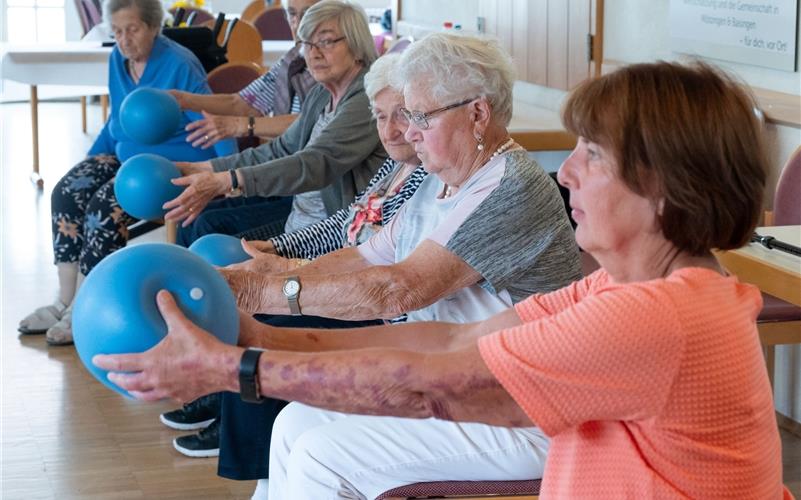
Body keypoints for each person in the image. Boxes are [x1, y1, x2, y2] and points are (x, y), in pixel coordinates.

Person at [96, 59, 789, 499]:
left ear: (664, 191)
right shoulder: (624, 289)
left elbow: (431, 382)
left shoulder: (655, 316)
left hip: (517, 424)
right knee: (303, 432)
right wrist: (251, 334)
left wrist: (235, 367)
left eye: (593, 156)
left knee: (323, 457)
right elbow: (441, 345)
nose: (568, 172)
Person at [99, 33, 584, 497]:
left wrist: (263, 294)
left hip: (518, 405)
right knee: (292, 423)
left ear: (478, 114)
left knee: (321, 455)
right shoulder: (442, 179)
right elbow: (363, 253)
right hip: (450, 375)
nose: (408, 133)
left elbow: (399, 290)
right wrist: (270, 274)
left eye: (421, 117)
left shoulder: (511, 187)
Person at [160, 52, 429, 459]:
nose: (390, 131)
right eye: (380, 117)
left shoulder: (427, 174)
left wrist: (287, 273)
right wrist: (278, 249)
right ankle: (227, 412)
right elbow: (348, 223)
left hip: (380, 308)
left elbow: (384, 274)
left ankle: (245, 449)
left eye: (403, 116)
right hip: (346, 274)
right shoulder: (396, 167)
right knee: (240, 286)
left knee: (262, 318)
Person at [17, 0, 237, 345]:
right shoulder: (116, 60)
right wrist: (89, 160)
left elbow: (210, 118)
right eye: (117, 31)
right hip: (126, 155)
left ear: (152, 27)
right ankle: (63, 299)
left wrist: (228, 172)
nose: (124, 40)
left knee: (103, 209)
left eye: (132, 29)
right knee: (67, 190)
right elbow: (117, 119)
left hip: (169, 165)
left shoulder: (180, 63)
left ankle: (84, 307)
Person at [166, 0, 387, 247]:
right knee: (197, 226)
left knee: (213, 241)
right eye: (307, 43)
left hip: (334, 233)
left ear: (357, 45)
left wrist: (230, 180)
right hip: (298, 219)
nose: (313, 53)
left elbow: (317, 163)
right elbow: (283, 148)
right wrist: (208, 168)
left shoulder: (367, 97)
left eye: (325, 41)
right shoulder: (322, 94)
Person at [168, 0, 319, 149]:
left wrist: (239, 125)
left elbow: (311, 122)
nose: (298, 23)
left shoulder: (334, 65)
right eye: (292, 14)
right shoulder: (292, 59)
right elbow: (242, 104)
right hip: (288, 158)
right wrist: (183, 100)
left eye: (308, 14)